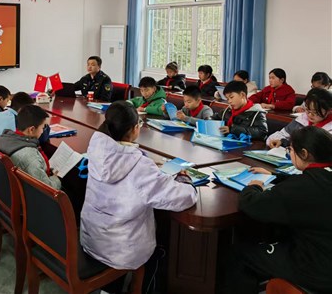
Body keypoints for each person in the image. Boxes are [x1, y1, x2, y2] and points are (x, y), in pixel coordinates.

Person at [80, 101, 197, 272]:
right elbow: (182, 198)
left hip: (92, 239)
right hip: (122, 251)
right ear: (135, 128)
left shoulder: (97, 149)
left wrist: (147, 165)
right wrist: (185, 180)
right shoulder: (140, 166)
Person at [223, 127, 332, 294]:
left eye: (290, 150)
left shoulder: (303, 187)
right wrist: (274, 175)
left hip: (316, 268)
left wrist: (253, 187)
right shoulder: (323, 176)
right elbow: (302, 182)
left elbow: (253, 205)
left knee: (241, 255)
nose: (289, 153)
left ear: (304, 153)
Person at [0, 105, 60, 189]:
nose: (43, 131)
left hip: (5, 186)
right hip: (27, 193)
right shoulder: (30, 156)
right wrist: (55, 178)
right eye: (43, 127)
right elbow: (48, 188)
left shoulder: (3, 138)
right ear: (31, 129)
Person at [267, 88, 332, 148]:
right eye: (307, 110)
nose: (310, 114)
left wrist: (286, 143)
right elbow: (278, 135)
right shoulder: (301, 120)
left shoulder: (329, 130)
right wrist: (278, 141)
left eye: (315, 112)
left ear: (329, 110)